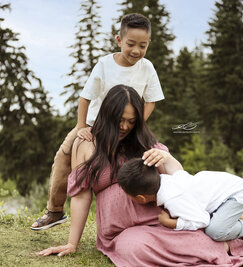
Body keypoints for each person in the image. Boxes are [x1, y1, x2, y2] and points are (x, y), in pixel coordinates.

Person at [38, 85, 243, 266]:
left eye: (132, 121)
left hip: (161, 220)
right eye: (121, 120)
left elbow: (179, 175)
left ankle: (239, 238)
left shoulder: (141, 140)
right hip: (121, 232)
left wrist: (166, 158)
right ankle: (230, 241)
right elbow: (81, 196)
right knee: (134, 249)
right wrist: (72, 243)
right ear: (107, 114)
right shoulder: (86, 145)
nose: (126, 126)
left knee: (201, 233)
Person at [31, 13, 164, 230]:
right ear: (119, 40)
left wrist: (136, 125)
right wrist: (82, 127)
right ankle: (55, 211)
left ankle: (155, 213)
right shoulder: (104, 64)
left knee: (153, 157)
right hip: (96, 125)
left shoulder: (147, 67)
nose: (136, 51)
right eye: (131, 44)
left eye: (143, 46)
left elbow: (151, 101)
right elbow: (85, 98)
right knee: (63, 156)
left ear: (149, 44)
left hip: (127, 126)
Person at [117, 150, 243, 257]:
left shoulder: (173, 200)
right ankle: (240, 216)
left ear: (141, 198)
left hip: (236, 194)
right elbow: (175, 168)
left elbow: (202, 221)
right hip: (225, 190)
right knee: (213, 217)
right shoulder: (168, 180)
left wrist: (171, 223)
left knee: (215, 231)